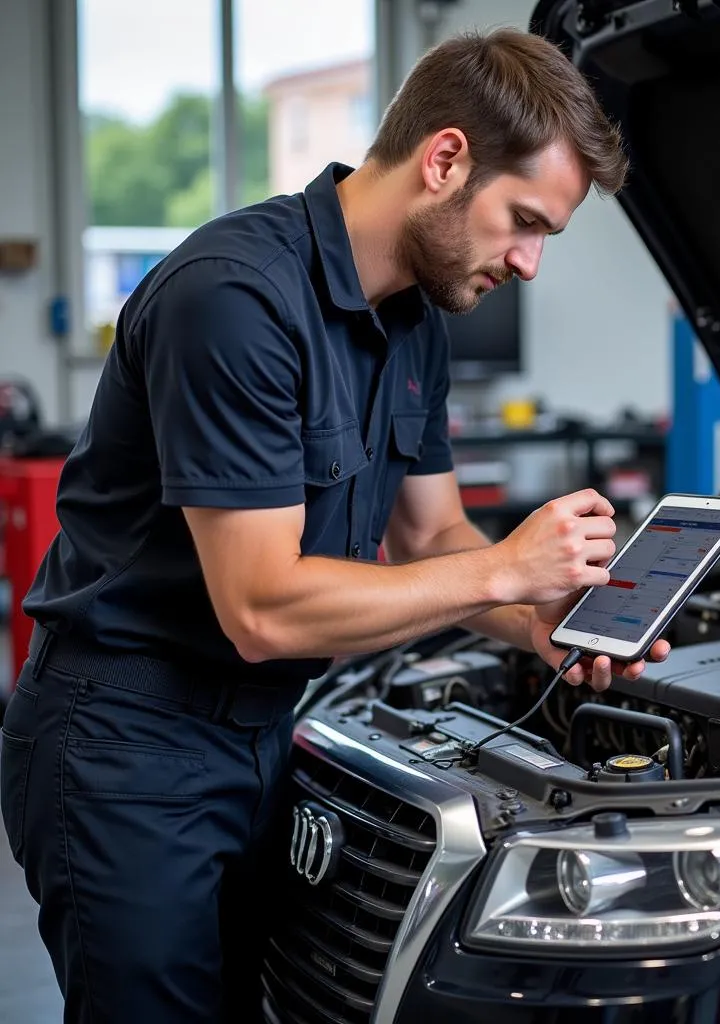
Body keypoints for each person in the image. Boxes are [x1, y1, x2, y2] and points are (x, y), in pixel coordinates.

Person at [0, 26, 671, 1024]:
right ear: (445, 159)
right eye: (524, 221)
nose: (528, 264)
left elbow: (432, 540)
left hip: (267, 733)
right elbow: (262, 607)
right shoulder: (233, 299)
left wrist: (535, 619)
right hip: (125, 743)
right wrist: (505, 569)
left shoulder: (413, 323)